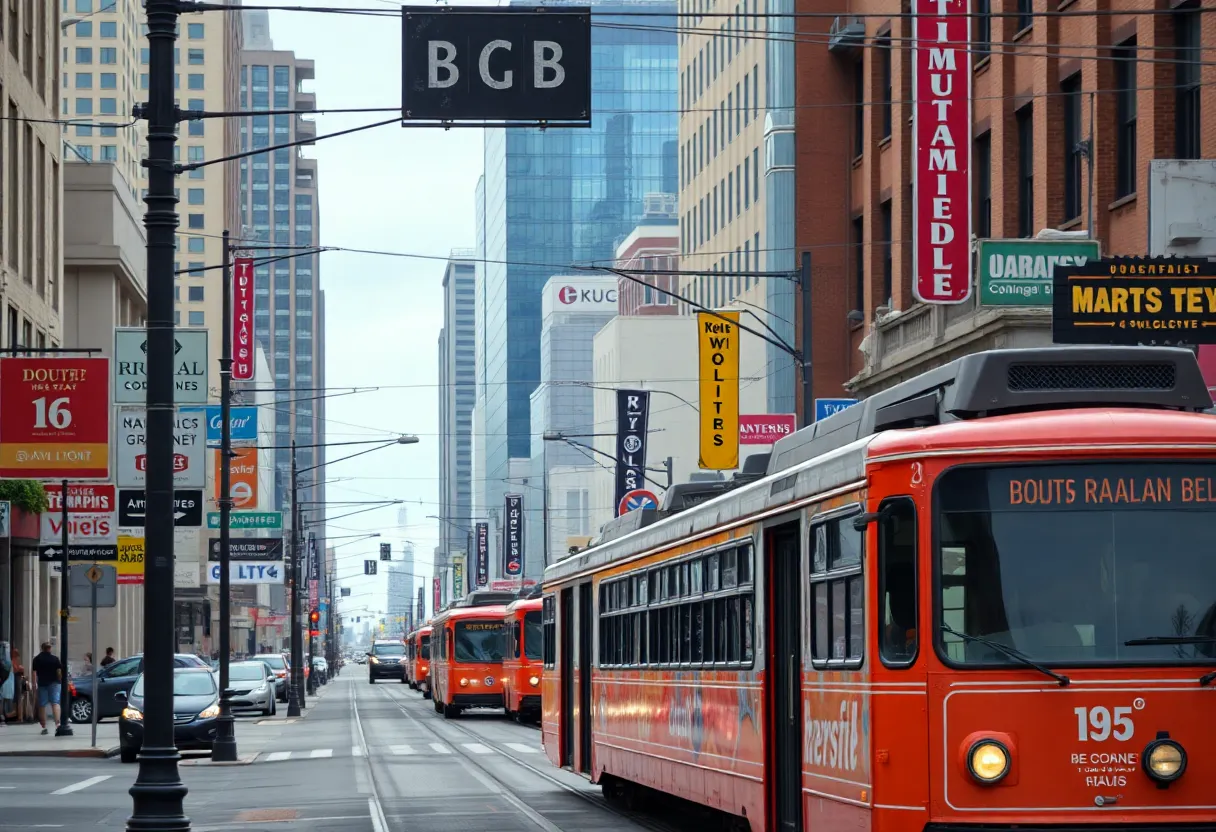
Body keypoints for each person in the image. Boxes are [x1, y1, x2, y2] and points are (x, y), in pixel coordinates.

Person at [31, 642, 63, 735]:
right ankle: (58, 724)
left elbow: (34, 673)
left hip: (42, 684)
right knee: (55, 703)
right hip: (55, 683)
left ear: (42, 648)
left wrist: (34, 684)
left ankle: (44, 727)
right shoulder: (55, 659)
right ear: (50, 649)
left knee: (42, 705)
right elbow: (59, 671)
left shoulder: (37, 659)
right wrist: (60, 680)